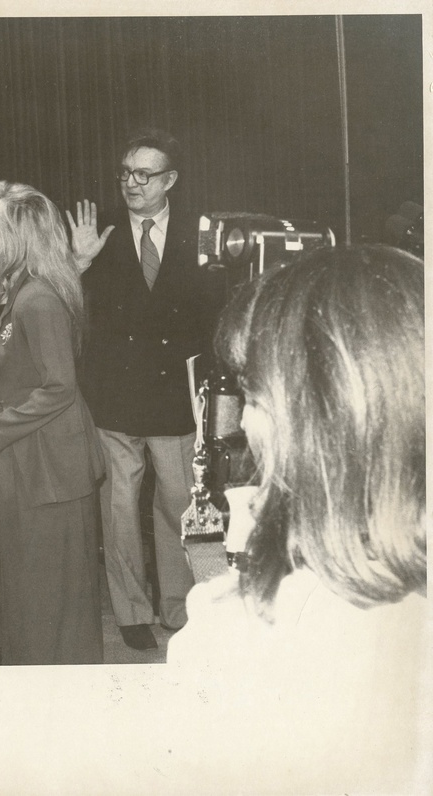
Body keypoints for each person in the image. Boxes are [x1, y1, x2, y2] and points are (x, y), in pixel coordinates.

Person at [166, 245, 427, 784]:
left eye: (255, 398)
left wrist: (222, 604)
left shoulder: (250, 634)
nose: (245, 426)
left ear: (315, 419)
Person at [67, 127, 223, 650]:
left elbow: (216, 311)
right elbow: (65, 304)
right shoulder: (98, 233)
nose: (131, 183)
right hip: (113, 396)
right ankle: (131, 610)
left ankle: (180, 608)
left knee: (179, 505)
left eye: (143, 174)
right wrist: (80, 261)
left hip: (175, 398)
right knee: (119, 509)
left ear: (169, 180)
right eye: (125, 173)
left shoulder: (201, 234)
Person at [0, 181, 105, 665]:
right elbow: (0, 369)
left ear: (20, 235)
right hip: (20, 452)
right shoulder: (5, 287)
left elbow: (59, 388)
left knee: (48, 588)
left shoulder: (39, 298)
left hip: (51, 462)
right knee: (20, 577)